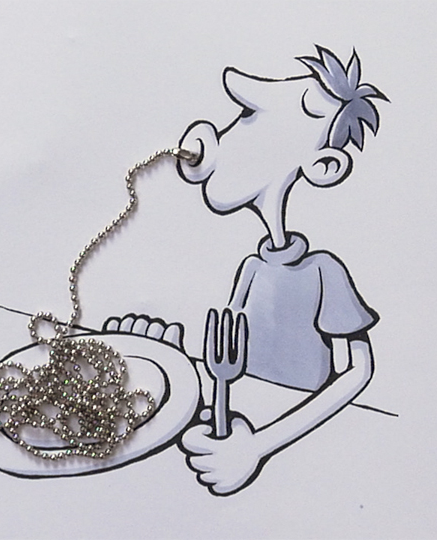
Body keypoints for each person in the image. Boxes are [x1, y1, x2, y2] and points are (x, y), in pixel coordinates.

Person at [107, 45, 388, 495]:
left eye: (251, 119)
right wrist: (170, 362)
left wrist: (258, 447)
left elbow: (357, 371)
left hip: (301, 467)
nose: (228, 134)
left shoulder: (323, 272)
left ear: (324, 166)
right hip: (236, 425)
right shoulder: (253, 269)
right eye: (243, 117)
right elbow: (228, 363)